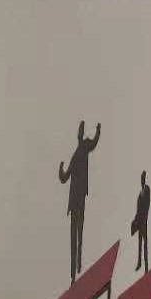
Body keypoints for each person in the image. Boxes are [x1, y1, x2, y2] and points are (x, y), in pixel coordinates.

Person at [58, 120, 102, 283]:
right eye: (79, 130)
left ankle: (78, 263)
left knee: (79, 231)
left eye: (81, 130)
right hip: (73, 199)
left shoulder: (85, 147)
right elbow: (65, 177)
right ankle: (73, 273)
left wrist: (98, 131)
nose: (80, 132)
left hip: (80, 196)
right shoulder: (75, 155)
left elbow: (94, 143)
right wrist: (60, 170)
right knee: (73, 233)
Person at [132, 171, 151, 272]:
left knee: (145, 242)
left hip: (144, 221)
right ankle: (139, 263)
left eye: (143, 179)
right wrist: (135, 220)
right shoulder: (140, 192)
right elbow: (138, 208)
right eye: (141, 179)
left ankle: (146, 266)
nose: (142, 181)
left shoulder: (146, 190)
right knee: (140, 243)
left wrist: (144, 218)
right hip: (139, 221)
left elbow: (146, 205)